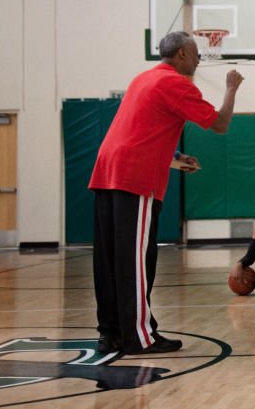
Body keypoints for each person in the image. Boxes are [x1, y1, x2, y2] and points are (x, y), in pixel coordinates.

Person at [89, 31, 243, 354]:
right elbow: (220, 123)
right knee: (136, 260)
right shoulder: (176, 83)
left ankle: (111, 333)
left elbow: (138, 132)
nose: (200, 59)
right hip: (135, 178)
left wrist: (175, 159)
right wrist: (231, 89)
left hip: (107, 172)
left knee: (110, 259)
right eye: (196, 53)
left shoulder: (142, 79)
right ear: (183, 55)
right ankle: (139, 336)